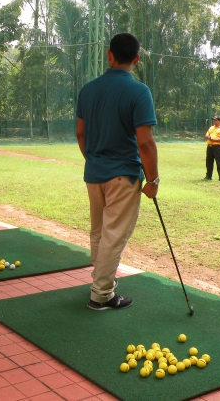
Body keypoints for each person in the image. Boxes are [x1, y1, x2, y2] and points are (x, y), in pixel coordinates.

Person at [76, 33, 159, 311]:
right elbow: (145, 142)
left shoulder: (88, 90)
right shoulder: (139, 91)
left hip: (94, 173)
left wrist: (94, 158)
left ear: (109, 55)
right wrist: (154, 180)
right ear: (136, 59)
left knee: (100, 230)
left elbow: (80, 133)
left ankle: (99, 279)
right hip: (124, 173)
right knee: (113, 234)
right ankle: (101, 294)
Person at [203, 115, 220, 182]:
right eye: (213, 120)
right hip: (210, 147)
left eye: (215, 120)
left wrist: (213, 139)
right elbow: (207, 135)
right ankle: (208, 176)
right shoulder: (211, 128)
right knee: (209, 162)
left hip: (218, 147)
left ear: (219, 121)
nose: (214, 121)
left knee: (219, 163)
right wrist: (208, 137)